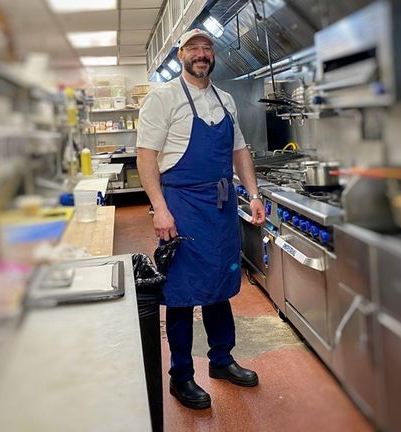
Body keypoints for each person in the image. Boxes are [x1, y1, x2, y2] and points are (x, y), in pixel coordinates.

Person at [136, 28, 265, 410]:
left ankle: (222, 361)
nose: (201, 53)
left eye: (207, 47)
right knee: (181, 291)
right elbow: (146, 157)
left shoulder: (225, 100)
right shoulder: (163, 98)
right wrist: (160, 207)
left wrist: (253, 194)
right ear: (181, 55)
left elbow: (240, 150)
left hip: (222, 205)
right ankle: (181, 376)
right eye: (193, 47)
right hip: (182, 204)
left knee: (220, 283)